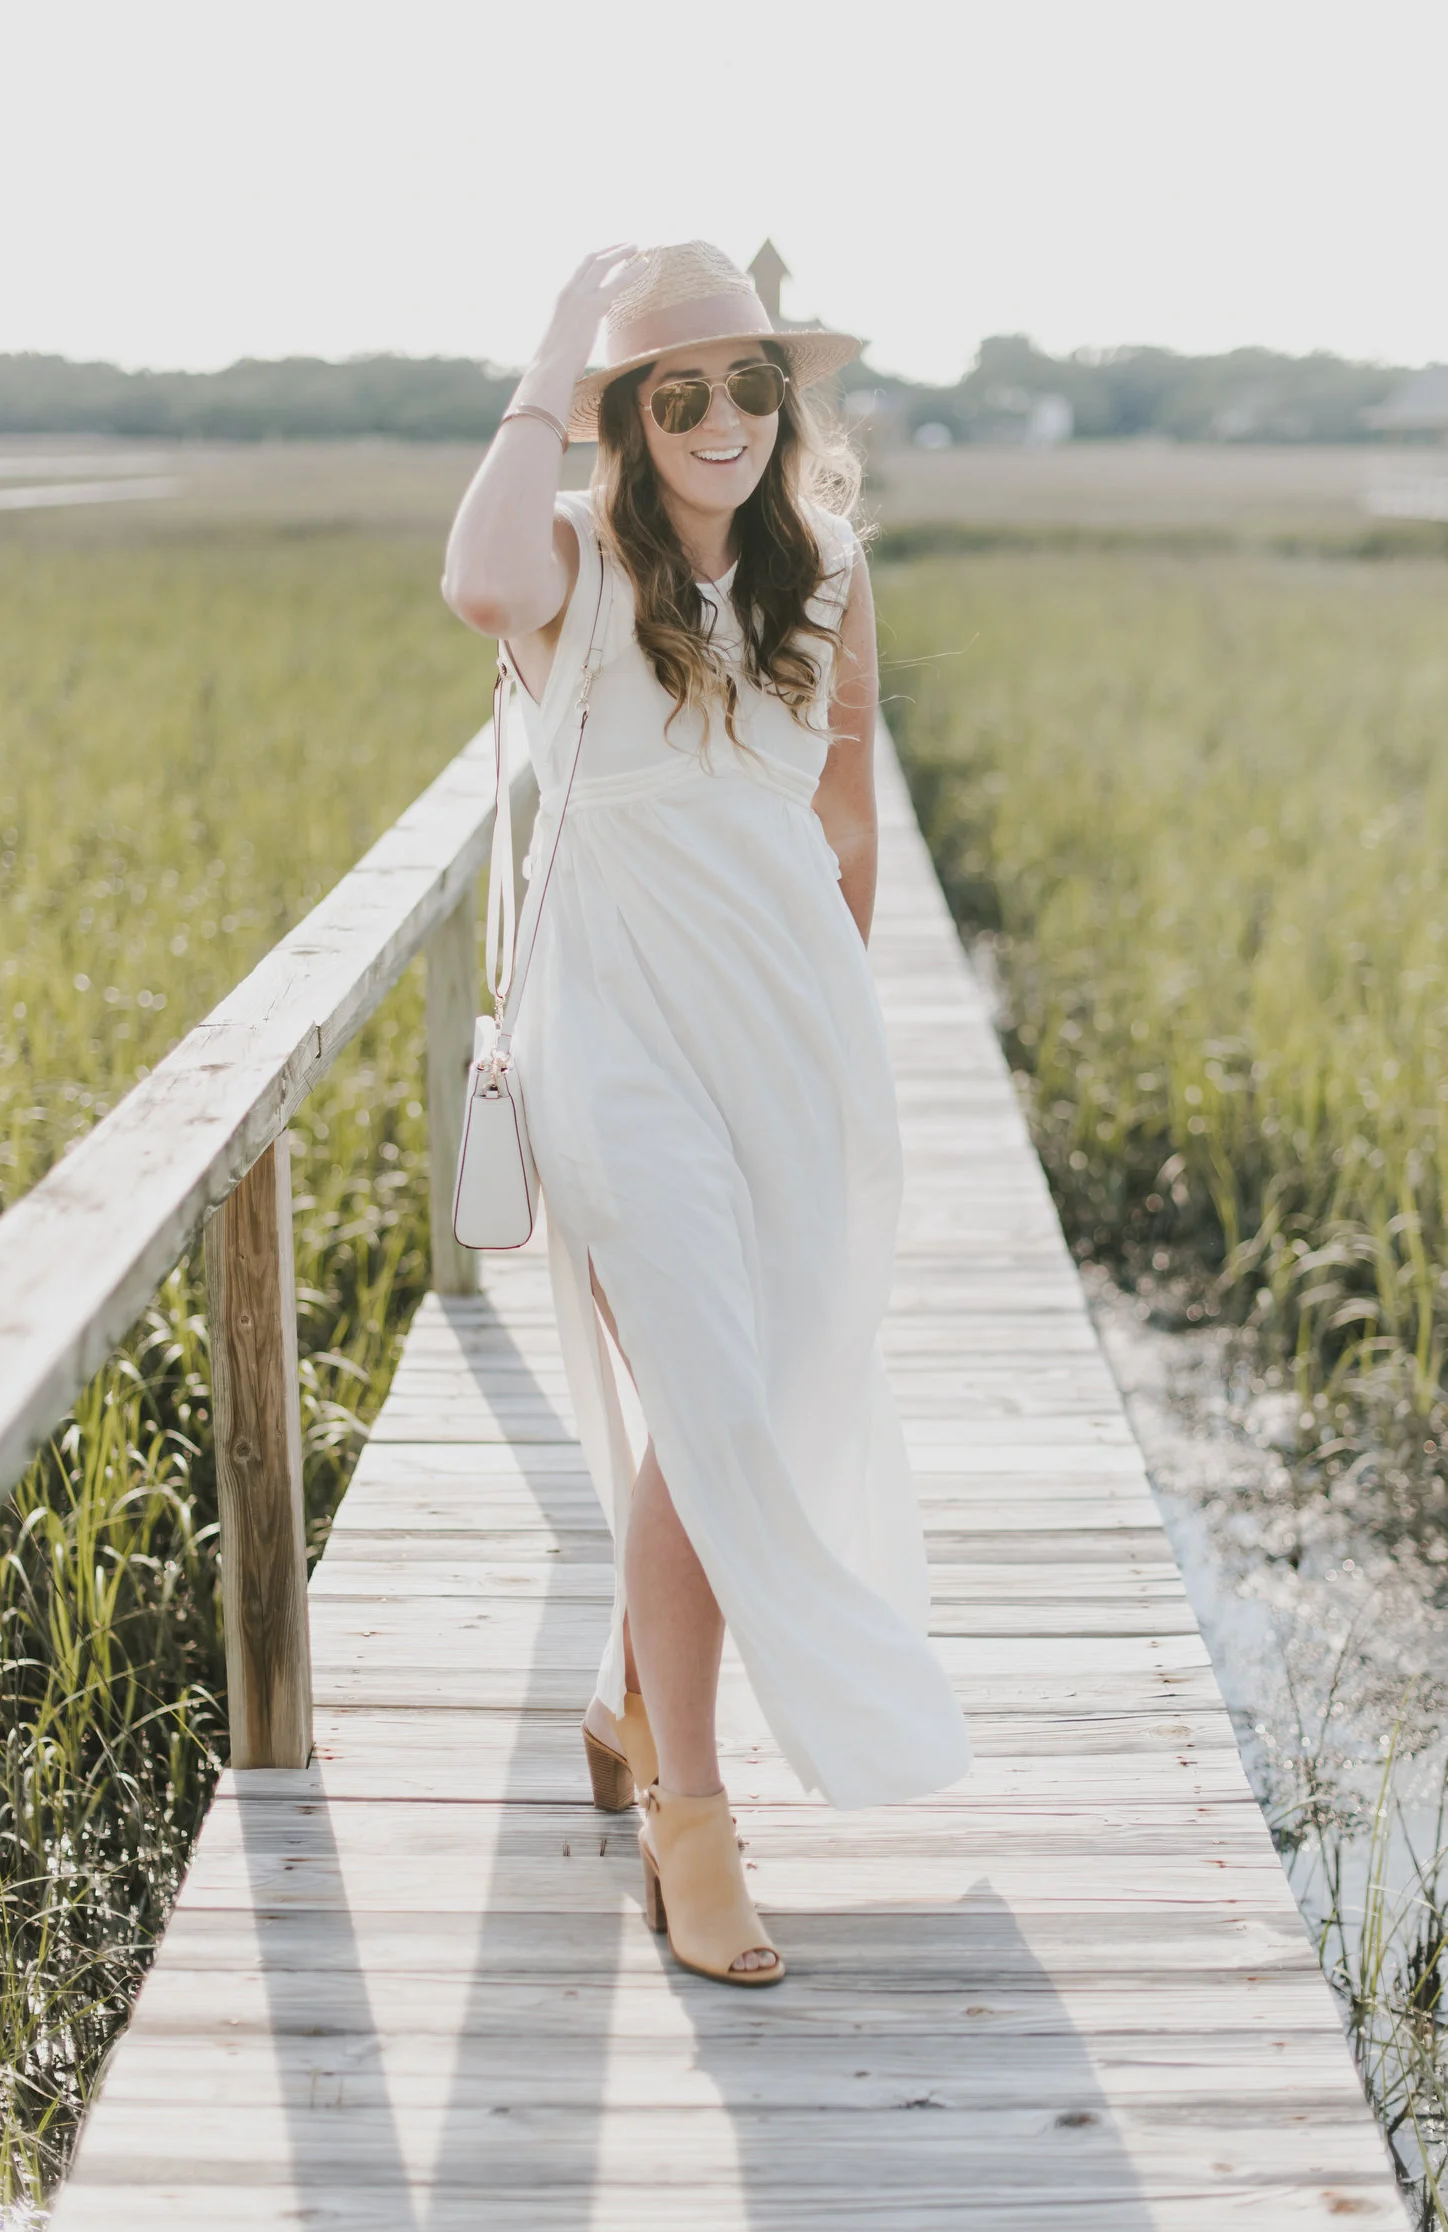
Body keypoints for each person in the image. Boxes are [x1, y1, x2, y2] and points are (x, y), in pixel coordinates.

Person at [442, 241, 970, 1987]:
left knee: (777, 1374)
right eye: (679, 392)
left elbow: (844, 802)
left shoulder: (825, 571)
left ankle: (620, 1697)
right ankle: (691, 1809)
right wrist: (548, 350)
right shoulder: (579, 566)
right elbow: (470, 579)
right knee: (716, 1391)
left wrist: (854, 1024)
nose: (727, 418)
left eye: (752, 384)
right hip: (616, 1037)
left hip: (792, 1032)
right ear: (625, 416)